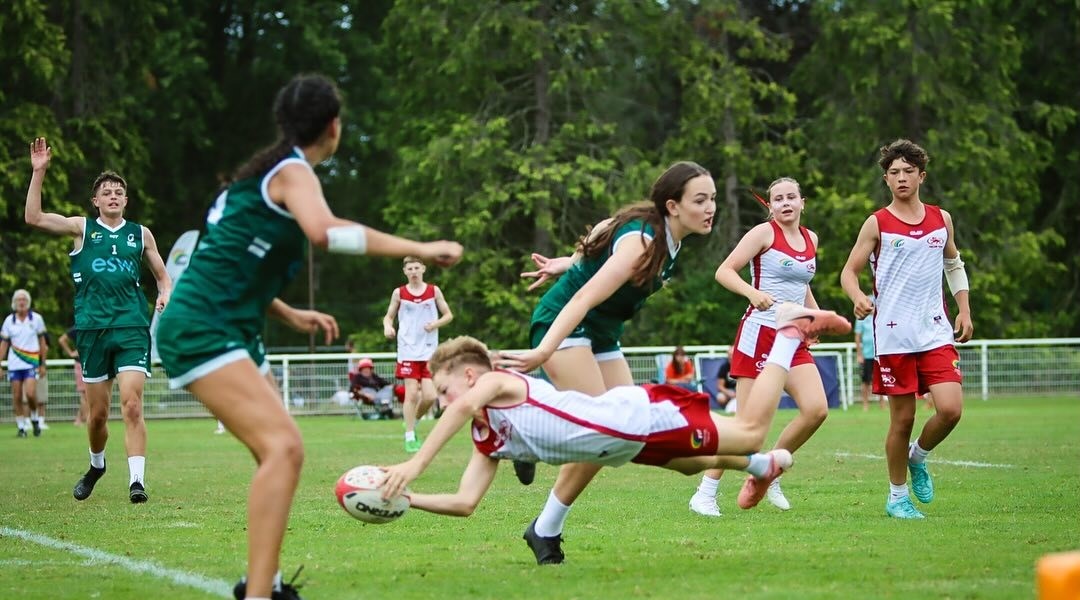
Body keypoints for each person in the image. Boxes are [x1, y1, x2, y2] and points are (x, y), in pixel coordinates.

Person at [154, 74, 462, 600]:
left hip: (227, 325)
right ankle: (260, 593)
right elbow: (327, 232)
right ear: (334, 126)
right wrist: (422, 246)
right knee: (285, 448)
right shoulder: (293, 171)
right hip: (206, 327)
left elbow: (226, 262)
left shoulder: (259, 178)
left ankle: (264, 584)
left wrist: (289, 313)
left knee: (276, 450)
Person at [381, 306, 852, 563]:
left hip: (636, 417)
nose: (440, 402)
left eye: (441, 390)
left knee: (750, 431)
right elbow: (465, 503)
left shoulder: (493, 385)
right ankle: (761, 467)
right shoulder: (489, 441)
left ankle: (786, 336)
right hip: (622, 444)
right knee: (690, 464)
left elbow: (462, 405)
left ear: (467, 377)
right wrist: (405, 496)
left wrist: (413, 463)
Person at [496, 161, 716, 560]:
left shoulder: (668, 240)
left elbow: (599, 238)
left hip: (601, 333)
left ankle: (542, 524)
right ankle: (522, 443)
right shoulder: (644, 242)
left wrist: (569, 262)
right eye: (700, 200)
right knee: (607, 429)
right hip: (565, 322)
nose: (710, 207)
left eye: (713, 198)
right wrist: (544, 350)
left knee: (620, 431)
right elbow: (582, 297)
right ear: (673, 206)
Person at [25, 140, 171, 505]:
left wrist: (165, 292)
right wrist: (39, 171)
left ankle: (137, 481)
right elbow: (34, 218)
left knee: (133, 405)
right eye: (106, 192)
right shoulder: (82, 229)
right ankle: (96, 465)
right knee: (97, 417)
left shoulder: (141, 234)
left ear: (125, 200)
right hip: (91, 331)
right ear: (95, 201)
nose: (113, 196)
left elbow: (162, 275)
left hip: (131, 327)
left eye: (119, 192)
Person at [840, 139, 973, 520]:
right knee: (902, 420)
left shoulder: (940, 218)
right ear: (886, 179)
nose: (901, 178)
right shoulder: (877, 223)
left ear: (921, 176)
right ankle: (897, 496)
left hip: (935, 330)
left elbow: (954, 264)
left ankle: (919, 457)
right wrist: (857, 297)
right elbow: (849, 272)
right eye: (894, 173)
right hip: (894, 335)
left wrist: (964, 308)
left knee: (950, 410)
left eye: (908, 171)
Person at [688, 177, 829, 517]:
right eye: (778, 198)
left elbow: (803, 285)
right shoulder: (763, 234)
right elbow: (724, 272)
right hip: (760, 335)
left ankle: (771, 473)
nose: (785, 203)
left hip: (793, 338)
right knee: (747, 427)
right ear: (770, 205)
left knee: (816, 410)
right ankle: (704, 494)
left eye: (791, 197)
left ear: (802, 202)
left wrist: (814, 318)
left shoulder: (811, 238)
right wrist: (752, 293)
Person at [382, 256, 454, 452]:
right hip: (407, 349)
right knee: (411, 393)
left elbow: (448, 315)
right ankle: (410, 436)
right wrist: (388, 327)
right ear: (405, 272)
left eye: (416, 267)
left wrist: (435, 324)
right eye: (410, 268)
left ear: (423, 269)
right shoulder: (399, 293)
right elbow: (388, 317)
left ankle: (413, 420)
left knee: (430, 396)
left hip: (429, 350)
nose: (413, 271)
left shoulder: (433, 291)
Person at [0, 289, 48, 437]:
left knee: (31, 393)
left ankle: (34, 418)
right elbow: (4, 344)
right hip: (14, 364)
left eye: (24, 300)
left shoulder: (37, 319)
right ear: (14, 303)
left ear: (28, 302)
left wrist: (42, 364)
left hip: (31, 363)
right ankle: (21, 427)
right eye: (18, 300)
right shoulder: (9, 321)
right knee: (16, 396)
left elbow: (42, 342)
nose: (21, 302)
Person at [853, 307, 884, 411]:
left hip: (879, 354)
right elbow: (857, 337)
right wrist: (859, 354)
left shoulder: (879, 316)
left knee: (881, 380)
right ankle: (865, 404)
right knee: (865, 380)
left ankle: (882, 404)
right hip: (866, 355)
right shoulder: (861, 318)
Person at [58, 326, 89, 426]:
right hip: (81, 363)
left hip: (91, 362)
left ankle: (81, 419)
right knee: (85, 394)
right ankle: (83, 419)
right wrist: (71, 353)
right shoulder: (78, 327)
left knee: (88, 394)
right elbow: (62, 340)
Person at [714, 347, 736, 411]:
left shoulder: (743, 366)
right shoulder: (724, 367)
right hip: (728, 391)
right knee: (720, 397)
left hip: (740, 390)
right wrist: (728, 392)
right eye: (729, 355)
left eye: (732, 355)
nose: (730, 357)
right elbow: (719, 386)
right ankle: (726, 409)